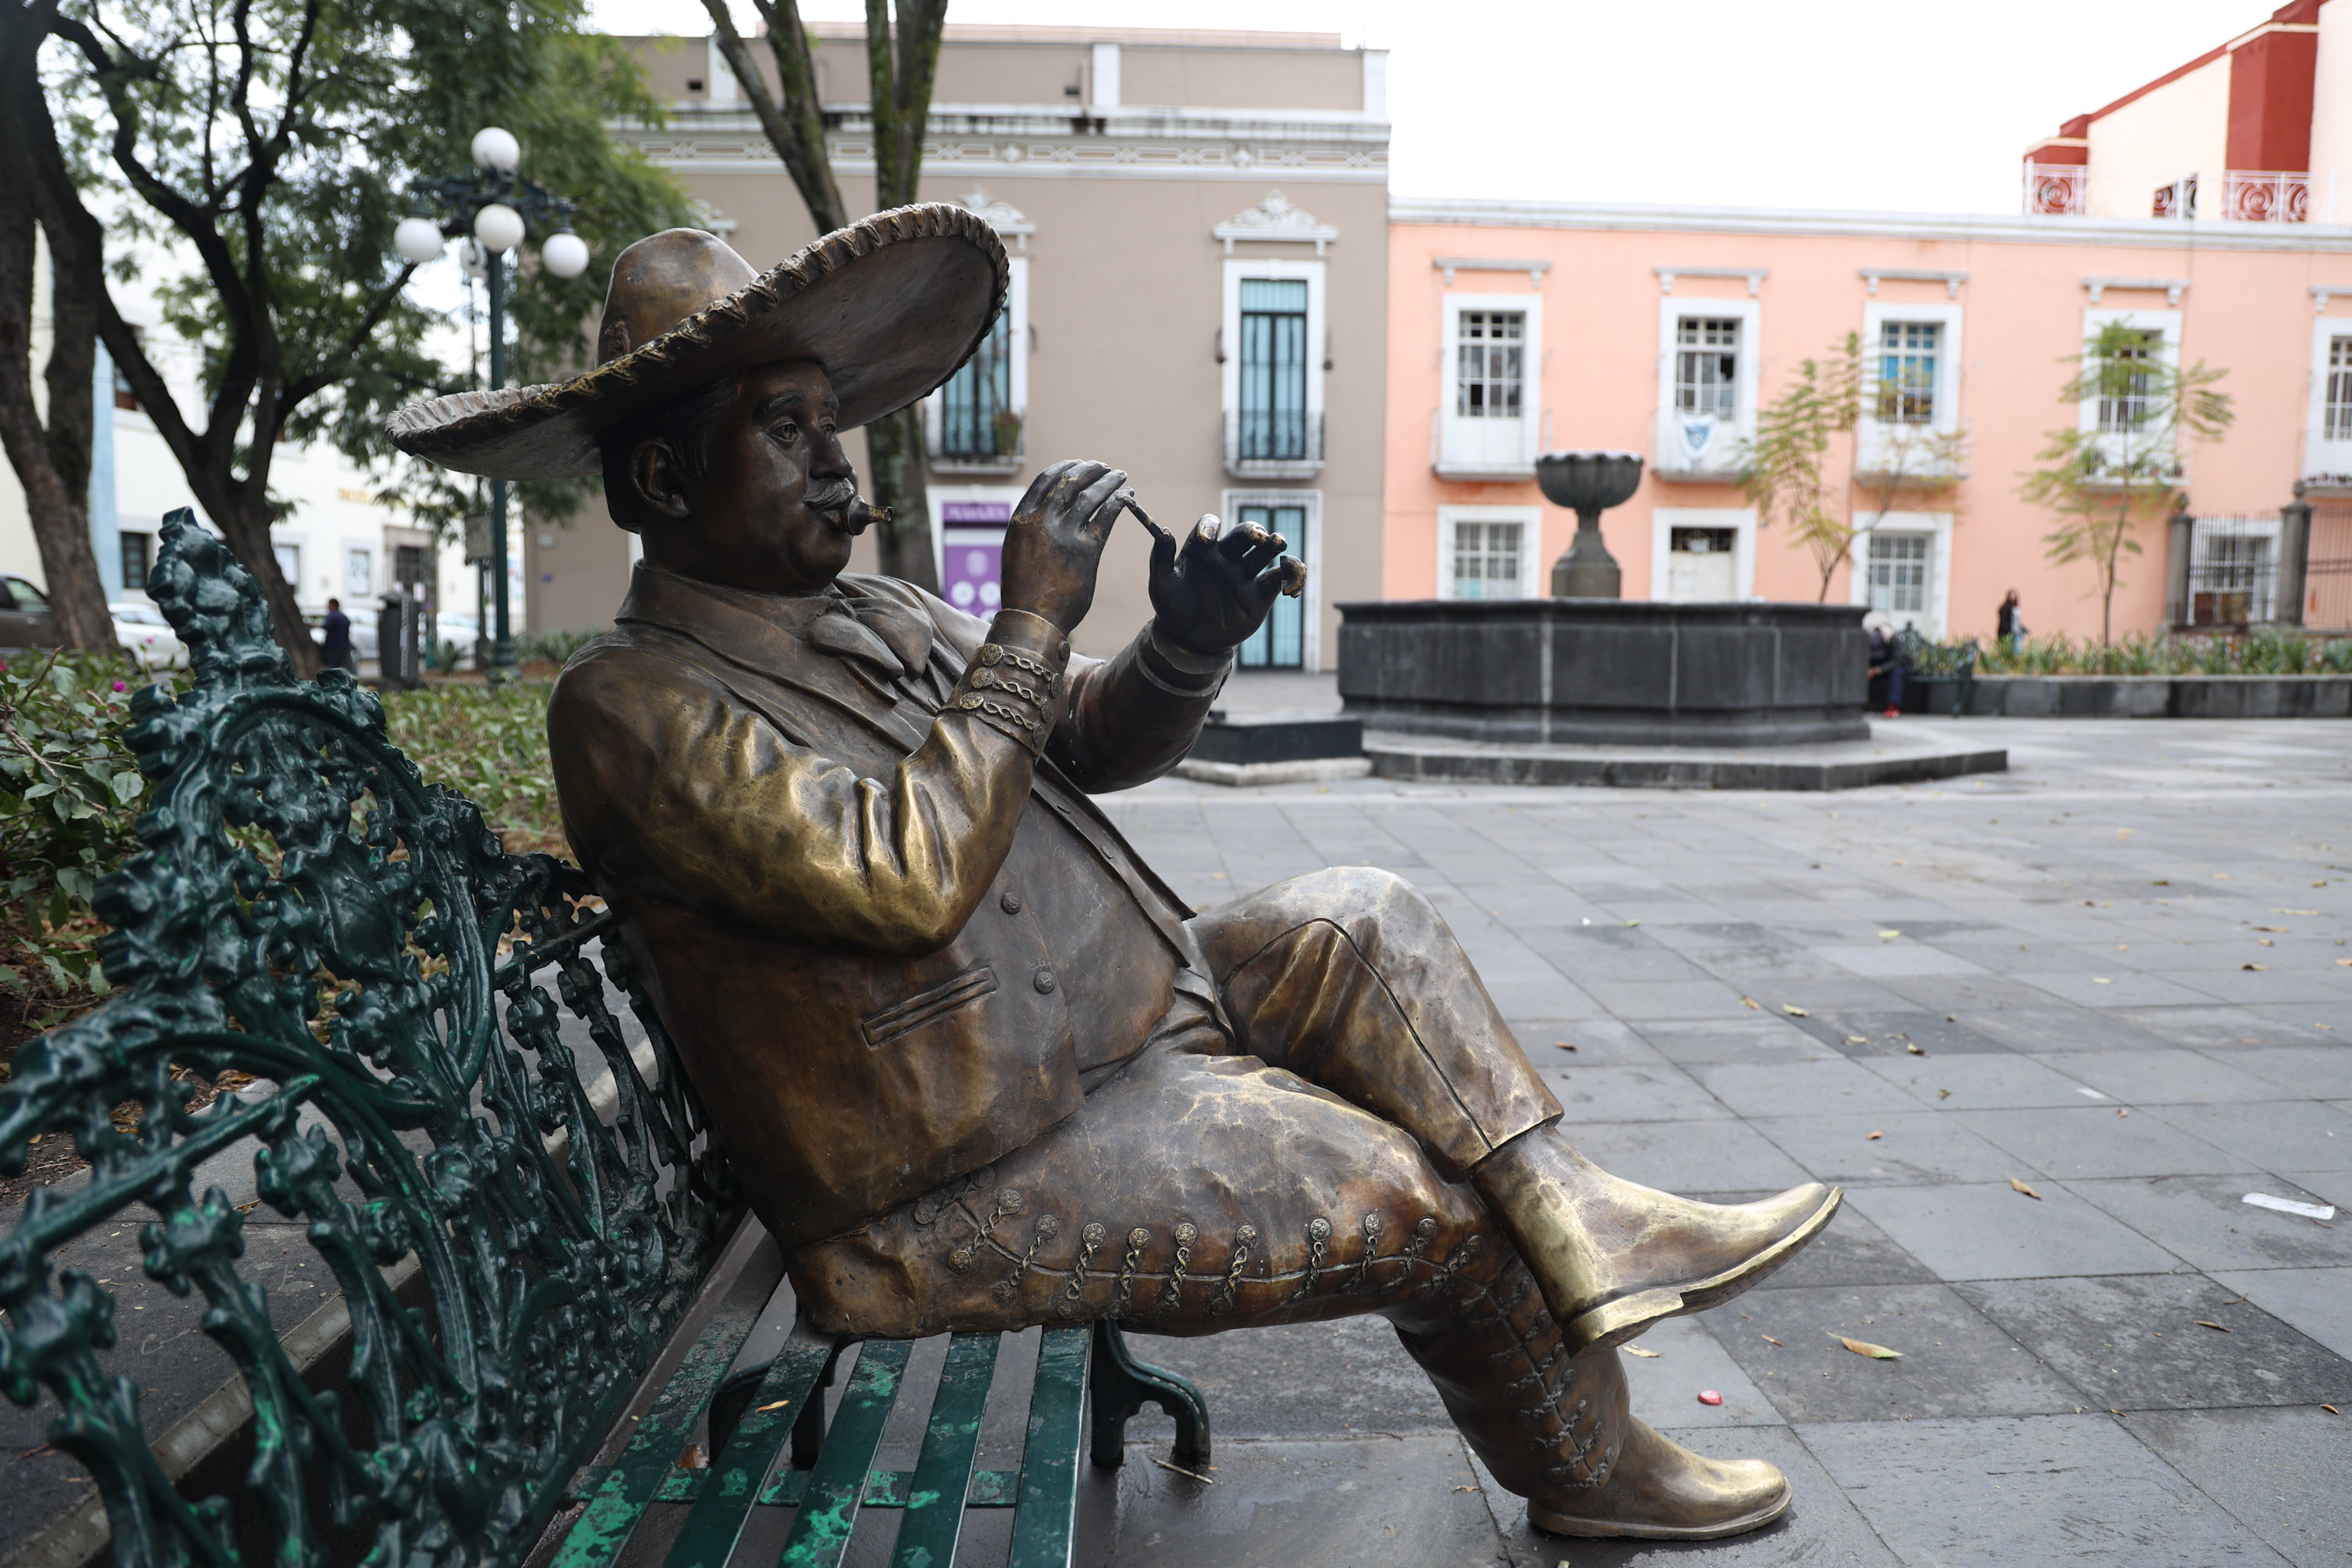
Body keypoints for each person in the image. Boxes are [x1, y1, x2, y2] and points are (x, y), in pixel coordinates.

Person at [387, 212, 1840, 1542]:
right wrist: (1024, 615)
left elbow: (1077, 733)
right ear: (662, 475)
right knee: (1413, 1204)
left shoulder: (874, 608)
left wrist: (1186, 641)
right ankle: (1590, 1471)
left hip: (1116, 1025)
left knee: (1364, 918)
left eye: (833, 424)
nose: (838, 465)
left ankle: (1580, 1206)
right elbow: (899, 877)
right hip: (957, 1175)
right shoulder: (634, 704)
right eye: (790, 432)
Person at [1865, 612, 1907, 717]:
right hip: (1875, 664)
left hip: (1893, 666)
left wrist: (1879, 670)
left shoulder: (1893, 638)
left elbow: (1898, 660)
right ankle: (1859, 705)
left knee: (1898, 673)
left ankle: (1893, 706)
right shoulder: (1868, 637)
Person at [319, 597, 354, 672]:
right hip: (345, 645)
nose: (327, 607)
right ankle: (355, 679)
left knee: (332, 667)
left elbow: (326, 626)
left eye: (329, 605)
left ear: (333, 605)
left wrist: (313, 625)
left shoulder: (332, 616)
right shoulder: (343, 616)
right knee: (349, 666)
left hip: (333, 646)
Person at [1998, 589, 2027, 655]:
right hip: (2009, 634)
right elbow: (2004, 622)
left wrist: (2023, 629)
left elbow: (2017, 622)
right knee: (2009, 651)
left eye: (2014, 596)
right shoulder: (2005, 609)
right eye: (2011, 596)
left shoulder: (2016, 609)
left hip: (2017, 633)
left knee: (2018, 651)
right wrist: (2009, 631)